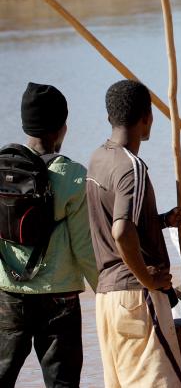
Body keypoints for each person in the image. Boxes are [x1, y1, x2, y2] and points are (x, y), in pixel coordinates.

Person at [86, 79, 181, 387]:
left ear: (110, 118)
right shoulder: (133, 168)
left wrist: (164, 220)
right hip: (136, 296)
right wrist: (149, 280)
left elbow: (117, 223)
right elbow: (121, 232)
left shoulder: (97, 159)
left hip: (106, 300)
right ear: (148, 118)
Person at [0, 83, 98, 387]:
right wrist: (107, 290)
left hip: (8, 293)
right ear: (62, 128)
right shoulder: (75, 176)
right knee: (62, 382)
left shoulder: (3, 167)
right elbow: (85, 248)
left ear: (25, 124)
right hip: (60, 298)